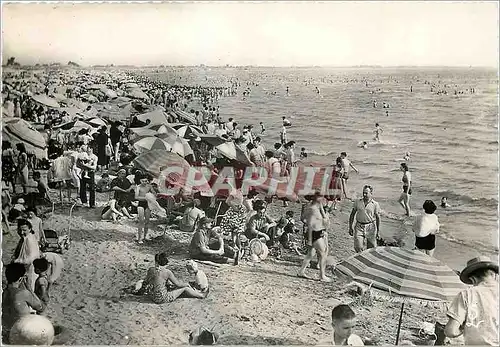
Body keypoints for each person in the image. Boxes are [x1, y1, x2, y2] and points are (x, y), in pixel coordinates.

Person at [444, 256, 498, 345]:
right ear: (494, 275)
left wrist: (463, 329)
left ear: (473, 279)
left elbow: (450, 331)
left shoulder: (467, 294)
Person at [135, 252, 206, 303]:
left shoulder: (151, 270)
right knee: (185, 289)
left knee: (166, 284)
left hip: (152, 296)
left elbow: (146, 281)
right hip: (162, 298)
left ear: (156, 262)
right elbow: (178, 284)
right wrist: (186, 284)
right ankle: (201, 295)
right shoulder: (167, 272)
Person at [2, 263, 45, 342]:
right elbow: (41, 307)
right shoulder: (23, 294)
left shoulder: (3, 292)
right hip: (21, 332)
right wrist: (30, 289)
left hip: (6, 331)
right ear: (20, 279)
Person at [297, 192, 331, 282]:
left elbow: (323, 216)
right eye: (321, 197)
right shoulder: (312, 209)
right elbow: (310, 224)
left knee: (311, 254)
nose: (323, 198)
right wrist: (310, 240)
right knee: (323, 253)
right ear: (316, 197)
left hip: (317, 231)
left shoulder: (317, 205)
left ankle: (301, 271)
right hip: (314, 233)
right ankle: (322, 275)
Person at [348, 185, 381, 253]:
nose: (364, 194)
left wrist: (378, 231)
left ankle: (368, 261)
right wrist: (350, 227)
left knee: (371, 248)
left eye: (366, 193)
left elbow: (378, 218)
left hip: (370, 227)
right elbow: (352, 214)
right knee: (358, 247)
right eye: (363, 193)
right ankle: (361, 258)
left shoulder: (375, 204)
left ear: (371, 193)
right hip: (359, 226)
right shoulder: (357, 202)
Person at [134, 172, 155, 243]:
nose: (144, 182)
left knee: (147, 221)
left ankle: (145, 236)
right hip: (141, 204)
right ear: (140, 181)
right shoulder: (138, 187)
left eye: (146, 181)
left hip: (147, 205)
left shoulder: (149, 186)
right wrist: (146, 198)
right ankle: (139, 238)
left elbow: (154, 193)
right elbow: (136, 197)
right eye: (143, 181)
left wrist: (153, 195)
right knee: (141, 221)